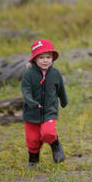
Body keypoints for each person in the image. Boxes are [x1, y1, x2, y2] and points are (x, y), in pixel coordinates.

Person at [21, 39, 68, 168]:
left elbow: (61, 89)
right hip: (31, 113)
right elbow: (26, 91)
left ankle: (55, 144)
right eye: (41, 57)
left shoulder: (55, 74)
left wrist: (64, 101)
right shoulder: (28, 75)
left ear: (52, 58)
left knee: (48, 133)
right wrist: (32, 103)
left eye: (48, 57)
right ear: (34, 59)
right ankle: (33, 160)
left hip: (49, 111)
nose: (45, 60)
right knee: (33, 140)